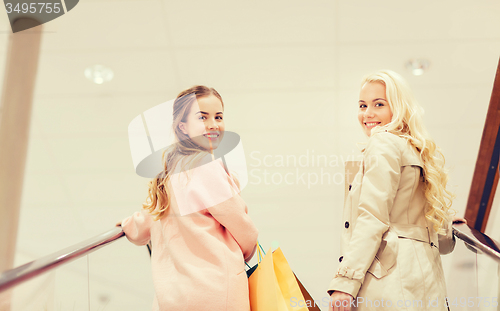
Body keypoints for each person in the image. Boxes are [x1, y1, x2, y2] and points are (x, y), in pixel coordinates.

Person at [327, 70, 459, 311]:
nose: (368, 114)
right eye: (362, 105)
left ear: (398, 106)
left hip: (390, 282)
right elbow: (441, 241)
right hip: (423, 282)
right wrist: (446, 224)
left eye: (378, 104)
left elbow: (372, 217)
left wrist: (346, 282)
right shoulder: (412, 147)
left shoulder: (383, 142)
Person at [119, 86, 258, 311]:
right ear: (183, 127)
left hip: (173, 297)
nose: (213, 124)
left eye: (218, 116)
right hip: (216, 290)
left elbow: (143, 226)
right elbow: (244, 230)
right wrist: (246, 252)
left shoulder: (166, 177)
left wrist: (126, 225)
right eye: (202, 117)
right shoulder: (206, 166)